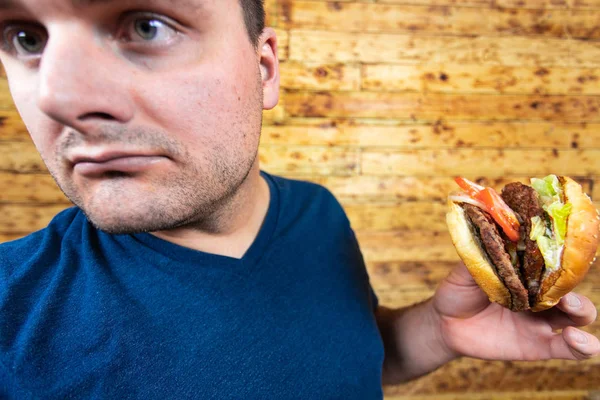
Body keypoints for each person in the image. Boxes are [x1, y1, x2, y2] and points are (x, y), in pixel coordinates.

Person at [0, 0, 597, 398]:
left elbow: (343, 359)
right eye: (25, 37)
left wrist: (439, 333)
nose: (59, 96)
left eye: (147, 25)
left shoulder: (317, 212)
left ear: (264, 70)